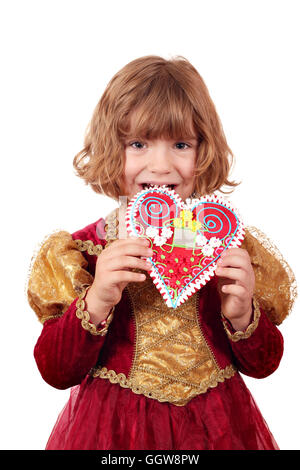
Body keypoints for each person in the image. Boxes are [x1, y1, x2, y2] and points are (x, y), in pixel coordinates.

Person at [27, 55, 297, 450]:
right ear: (109, 149)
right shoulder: (85, 251)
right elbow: (55, 370)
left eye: (181, 144)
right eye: (138, 144)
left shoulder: (222, 246)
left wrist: (242, 316)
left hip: (216, 429)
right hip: (113, 430)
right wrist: (98, 299)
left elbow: (265, 364)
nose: (161, 164)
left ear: (202, 152)